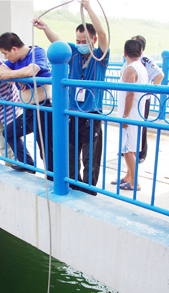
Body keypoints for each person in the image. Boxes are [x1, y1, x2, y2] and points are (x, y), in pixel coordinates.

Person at [32, 0, 109, 195]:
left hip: (92, 114)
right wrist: (45, 28)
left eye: (84, 41)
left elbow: (103, 34)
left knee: (90, 156)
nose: (80, 44)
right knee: (71, 153)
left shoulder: (101, 56)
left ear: (92, 41)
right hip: (72, 113)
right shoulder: (73, 53)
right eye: (78, 41)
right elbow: (57, 41)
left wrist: (89, 8)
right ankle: (74, 185)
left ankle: (88, 189)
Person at [0, 32, 53, 174]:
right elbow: (2, 69)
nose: (5, 58)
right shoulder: (15, 61)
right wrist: (21, 76)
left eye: (5, 53)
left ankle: (52, 180)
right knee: (9, 132)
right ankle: (27, 163)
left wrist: (16, 75)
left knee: (45, 149)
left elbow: (32, 69)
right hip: (27, 109)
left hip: (43, 108)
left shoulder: (36, 52)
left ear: (14, 49)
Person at [115, 39, 149, 191]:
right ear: (141, 53)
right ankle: (129, 176)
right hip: (138, 114)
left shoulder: (130, 69)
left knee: (127, 150)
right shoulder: (141, 67)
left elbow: (130, 94)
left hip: (130, 115)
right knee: (132, 148)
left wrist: (125, 116)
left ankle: (135, 182)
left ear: (124, 53)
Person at [130, 35, 164, 164]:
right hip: (132, 97)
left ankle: (141, 153)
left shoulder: (146, 60)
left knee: (141, 126)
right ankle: (129, 150)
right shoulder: (130, 59)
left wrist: (150, 91)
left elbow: (160, 75)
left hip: (143, 99)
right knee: (129, 125)